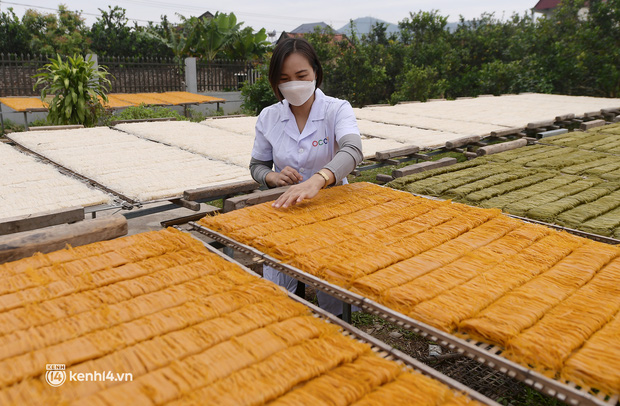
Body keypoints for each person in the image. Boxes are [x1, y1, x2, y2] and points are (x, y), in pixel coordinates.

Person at [249, 37, 363, 315]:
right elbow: (257, 165)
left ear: (315, 73)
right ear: (276, 82)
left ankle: (336, 330)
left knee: (330, 283)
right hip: (287, 208)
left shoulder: (336, 110)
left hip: (332, 208)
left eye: (301, 75)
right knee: (278, 287)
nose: (294, 84)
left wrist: (320, 178)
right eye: (284, 78)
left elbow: (353, 150)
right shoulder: (268, 117)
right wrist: (273, 178)